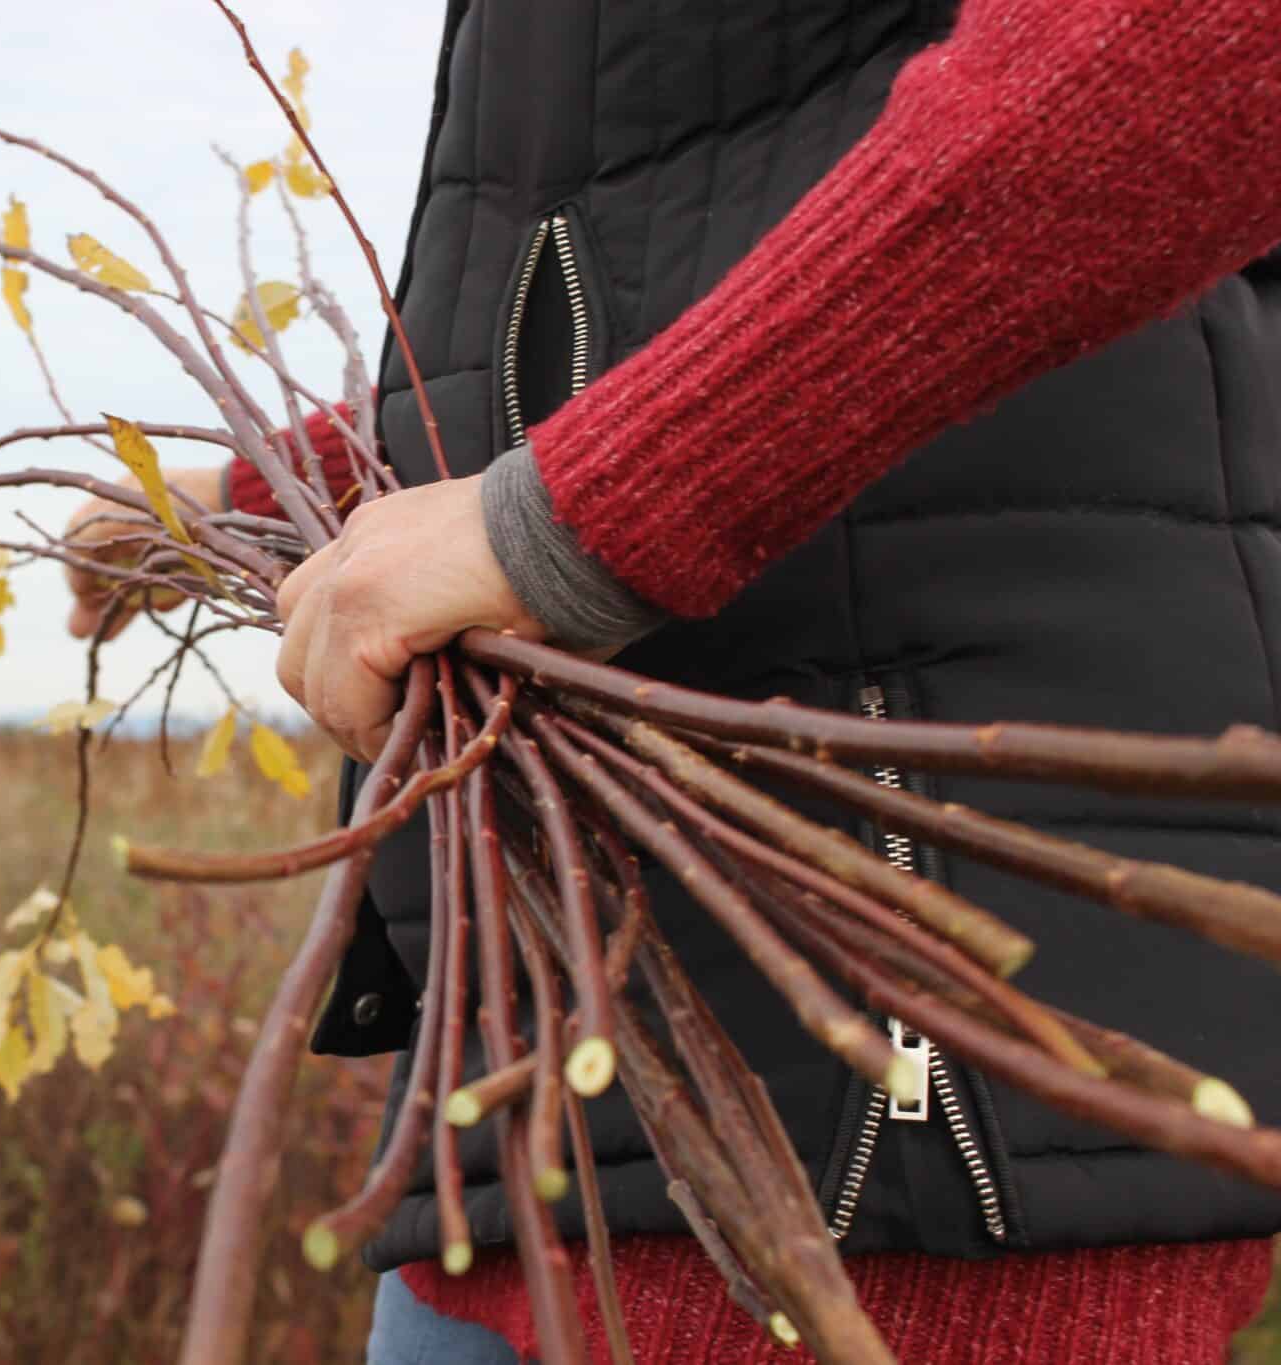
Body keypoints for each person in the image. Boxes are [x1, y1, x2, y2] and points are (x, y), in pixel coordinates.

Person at [67, 0, 1281, 1359]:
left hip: (879, 1147)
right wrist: (242, 500)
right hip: (536, 1110)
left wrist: (585, 515)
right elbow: (596, 303)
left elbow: (1197, 41)